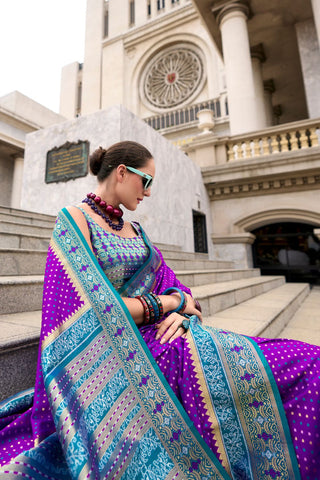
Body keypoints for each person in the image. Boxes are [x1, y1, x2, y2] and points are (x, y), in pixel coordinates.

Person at [0, 140, 319, 480]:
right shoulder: (74, 220)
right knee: (300, 369)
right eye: (146, 181)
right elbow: (94, 307)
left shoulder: (136, 230)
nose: (149, 193)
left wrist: (180, 308)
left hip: (172, 336)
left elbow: (181, 292)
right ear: (122, 172)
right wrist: (166, 304)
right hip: (119, 356)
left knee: (307, 363)